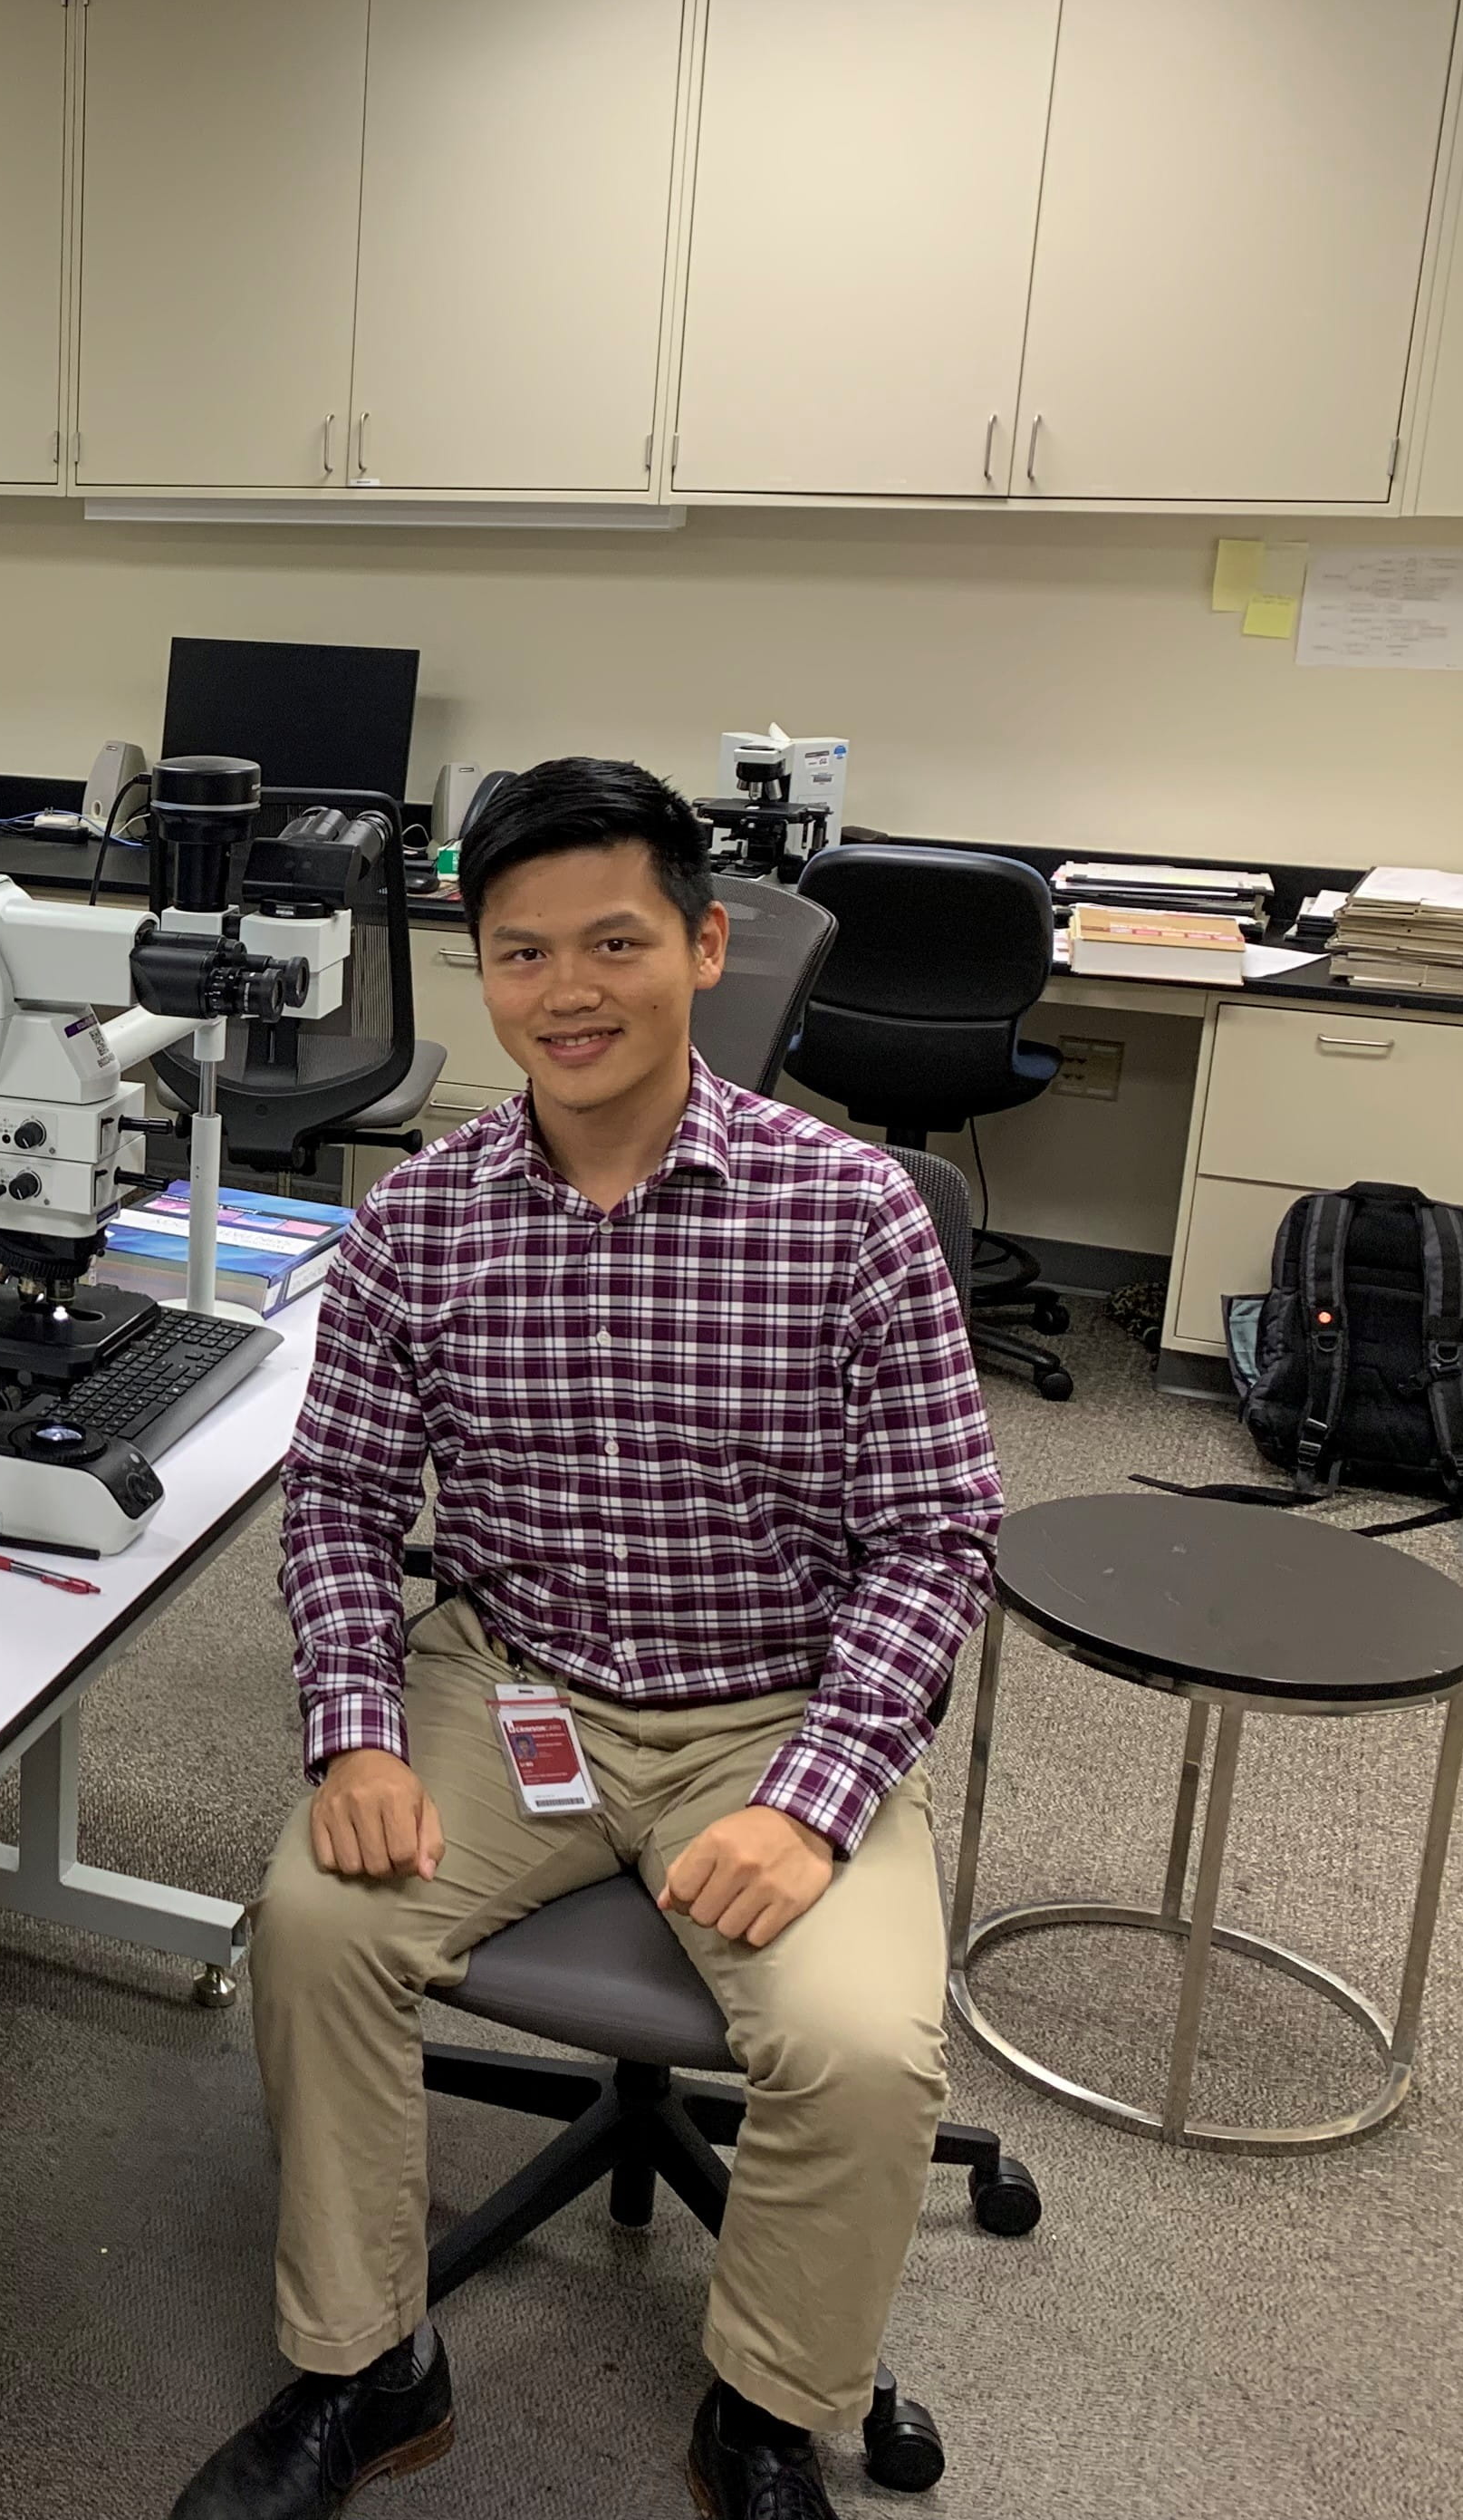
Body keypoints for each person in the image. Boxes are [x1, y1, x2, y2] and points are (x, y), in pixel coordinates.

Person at [172, 758, 1001, 2520]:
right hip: (513, 1685)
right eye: (523, 952)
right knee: (318, 1924)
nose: (568, 991)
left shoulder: (850, 1219)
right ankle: (369, 2367)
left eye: (614, 942)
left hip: (769, 1710)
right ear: (487, 971)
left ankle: (764, 2416)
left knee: (858, 2047)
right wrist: (360, 1730)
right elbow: (334, 1502)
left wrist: (819, 1796)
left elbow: (936, 1545)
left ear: (704, 947)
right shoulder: (423, 1218)